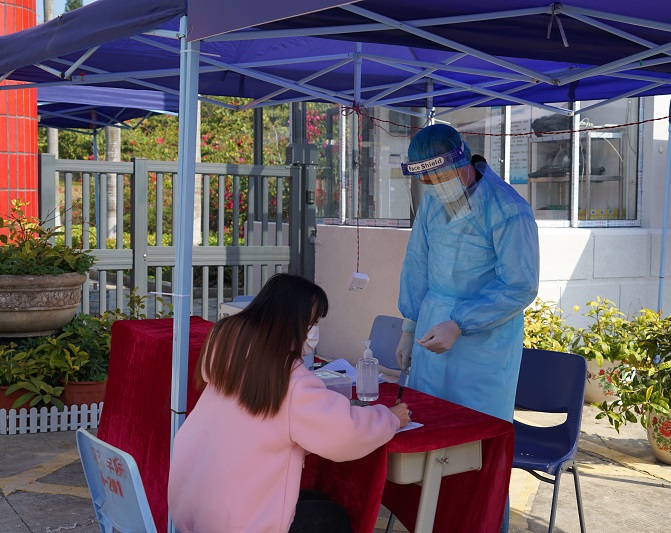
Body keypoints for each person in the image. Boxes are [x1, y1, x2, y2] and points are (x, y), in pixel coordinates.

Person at [168, 273, 410, 533]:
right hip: (239, 522)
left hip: (196, 506)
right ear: (292, 320)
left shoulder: (228, 346)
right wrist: (390, 417)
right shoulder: (288, 378)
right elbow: (345, 433)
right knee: (337, 516)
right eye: (312, 322)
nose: (314, 331)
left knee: (318, 500)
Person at [396, 124, 539, 533]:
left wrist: (461, 323)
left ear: (461, 163)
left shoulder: (508, 208)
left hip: (484, 345)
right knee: (430, 439)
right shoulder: (432, 202)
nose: (432, 187)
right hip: (431, 327)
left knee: (480, 449)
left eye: (436, 177)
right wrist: (409, 325)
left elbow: (520, 285)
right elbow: (417, 262)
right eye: (425, 180)